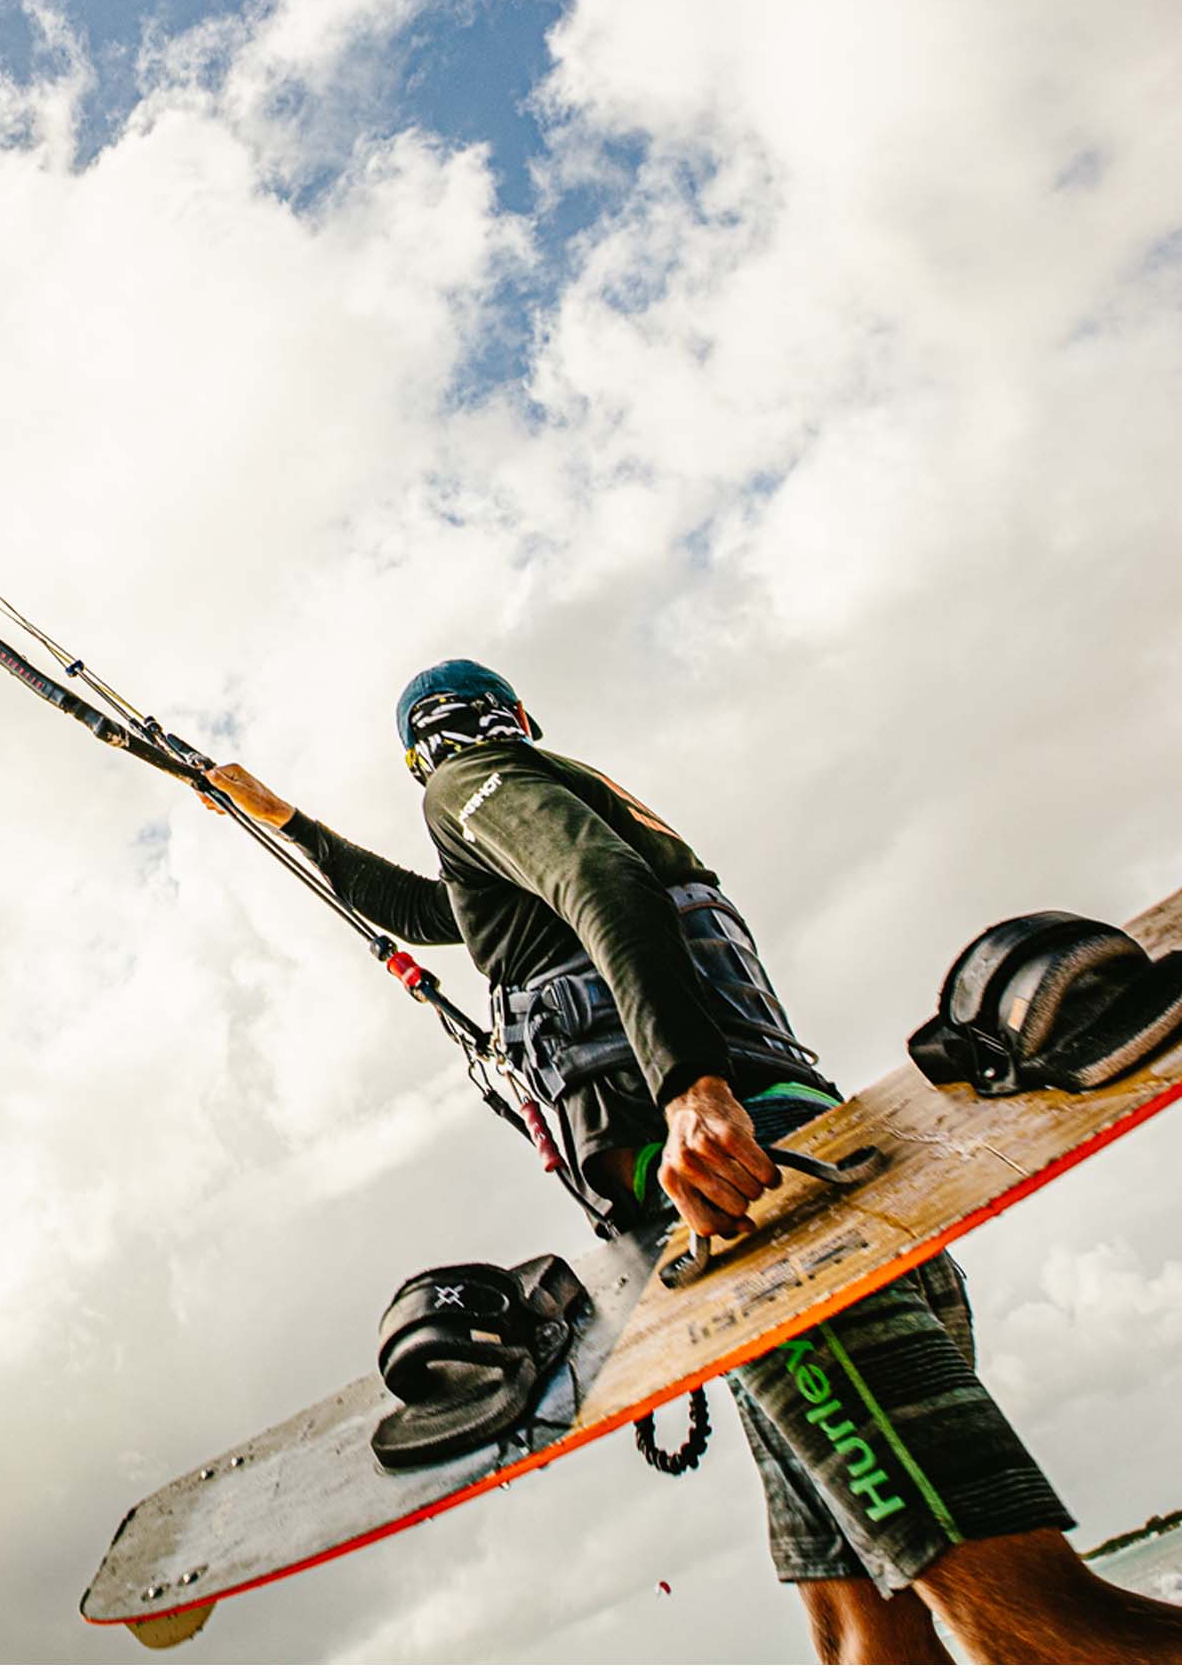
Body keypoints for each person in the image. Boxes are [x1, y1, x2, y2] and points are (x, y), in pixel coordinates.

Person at [201, 659, 1182, 1666]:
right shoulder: (547, 818)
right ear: (520, 713)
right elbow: (426, 913)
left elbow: (601, 884)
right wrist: (277, 817)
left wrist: (685, 1087)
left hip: (760, 1214)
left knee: (1035, 1630)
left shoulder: (470, 779)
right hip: (789, 1203)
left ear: (428, 749)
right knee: (862, 1638)